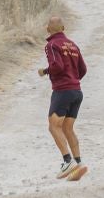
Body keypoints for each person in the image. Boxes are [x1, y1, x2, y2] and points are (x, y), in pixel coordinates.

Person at [37, 18, 88, 180]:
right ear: (64, 28)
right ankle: (79, 163)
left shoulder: (51, 45)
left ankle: (67, 161)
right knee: (67, 128)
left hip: (62, 91)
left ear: (47, 29)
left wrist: (45, 71)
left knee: (53, 126)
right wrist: (72, 78)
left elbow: (57, 66)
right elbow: (83, 69)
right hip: (76, 91)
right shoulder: (73, 44)